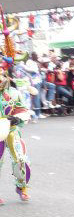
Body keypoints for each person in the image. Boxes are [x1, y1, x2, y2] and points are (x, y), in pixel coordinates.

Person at [0, 62, 32, 203]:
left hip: (12, 131)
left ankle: (21, 187)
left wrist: (16, 118)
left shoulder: (14, 93)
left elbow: (23, 110)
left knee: (20, 160)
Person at [25, 52, 44, 119]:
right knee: (36, 97)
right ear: (32, 56)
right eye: (36, 55)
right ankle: (37, 113)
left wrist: (38, 66)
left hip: (38, 81)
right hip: (33, 82)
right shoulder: (29, 62)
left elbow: (39, 71)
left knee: (38, 97)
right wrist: (34, 70)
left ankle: (38, 113)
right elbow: (27, 70)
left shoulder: (35, 62)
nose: (37, 57)